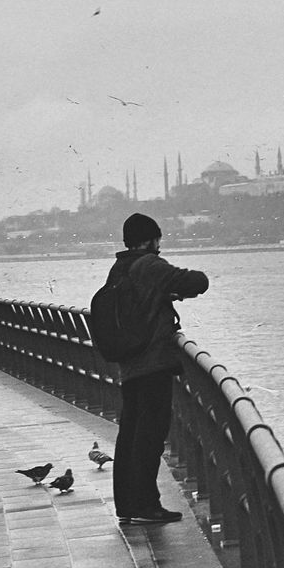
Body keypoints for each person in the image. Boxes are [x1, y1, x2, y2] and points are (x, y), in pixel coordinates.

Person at [108, 212, 209, 524]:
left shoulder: (119, 268)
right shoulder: (150, 265)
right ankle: (147, 505)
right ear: (150, 240)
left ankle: (128, 504)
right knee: (150, 435)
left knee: (130, 433)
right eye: (157, 239)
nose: (159, 245)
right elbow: (195, 282)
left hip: (129, 362)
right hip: (152, 362)